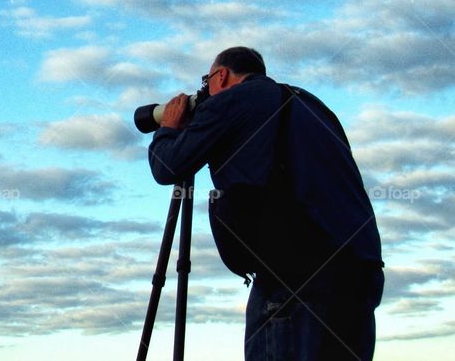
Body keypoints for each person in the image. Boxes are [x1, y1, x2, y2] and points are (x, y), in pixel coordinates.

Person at [148, 46, 383, 361]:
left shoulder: (233, 101)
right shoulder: (311, 104)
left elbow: (169, 167)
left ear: (222, 75)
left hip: (297, 282)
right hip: (359, 276)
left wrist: (168, 130)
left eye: (207, 82)